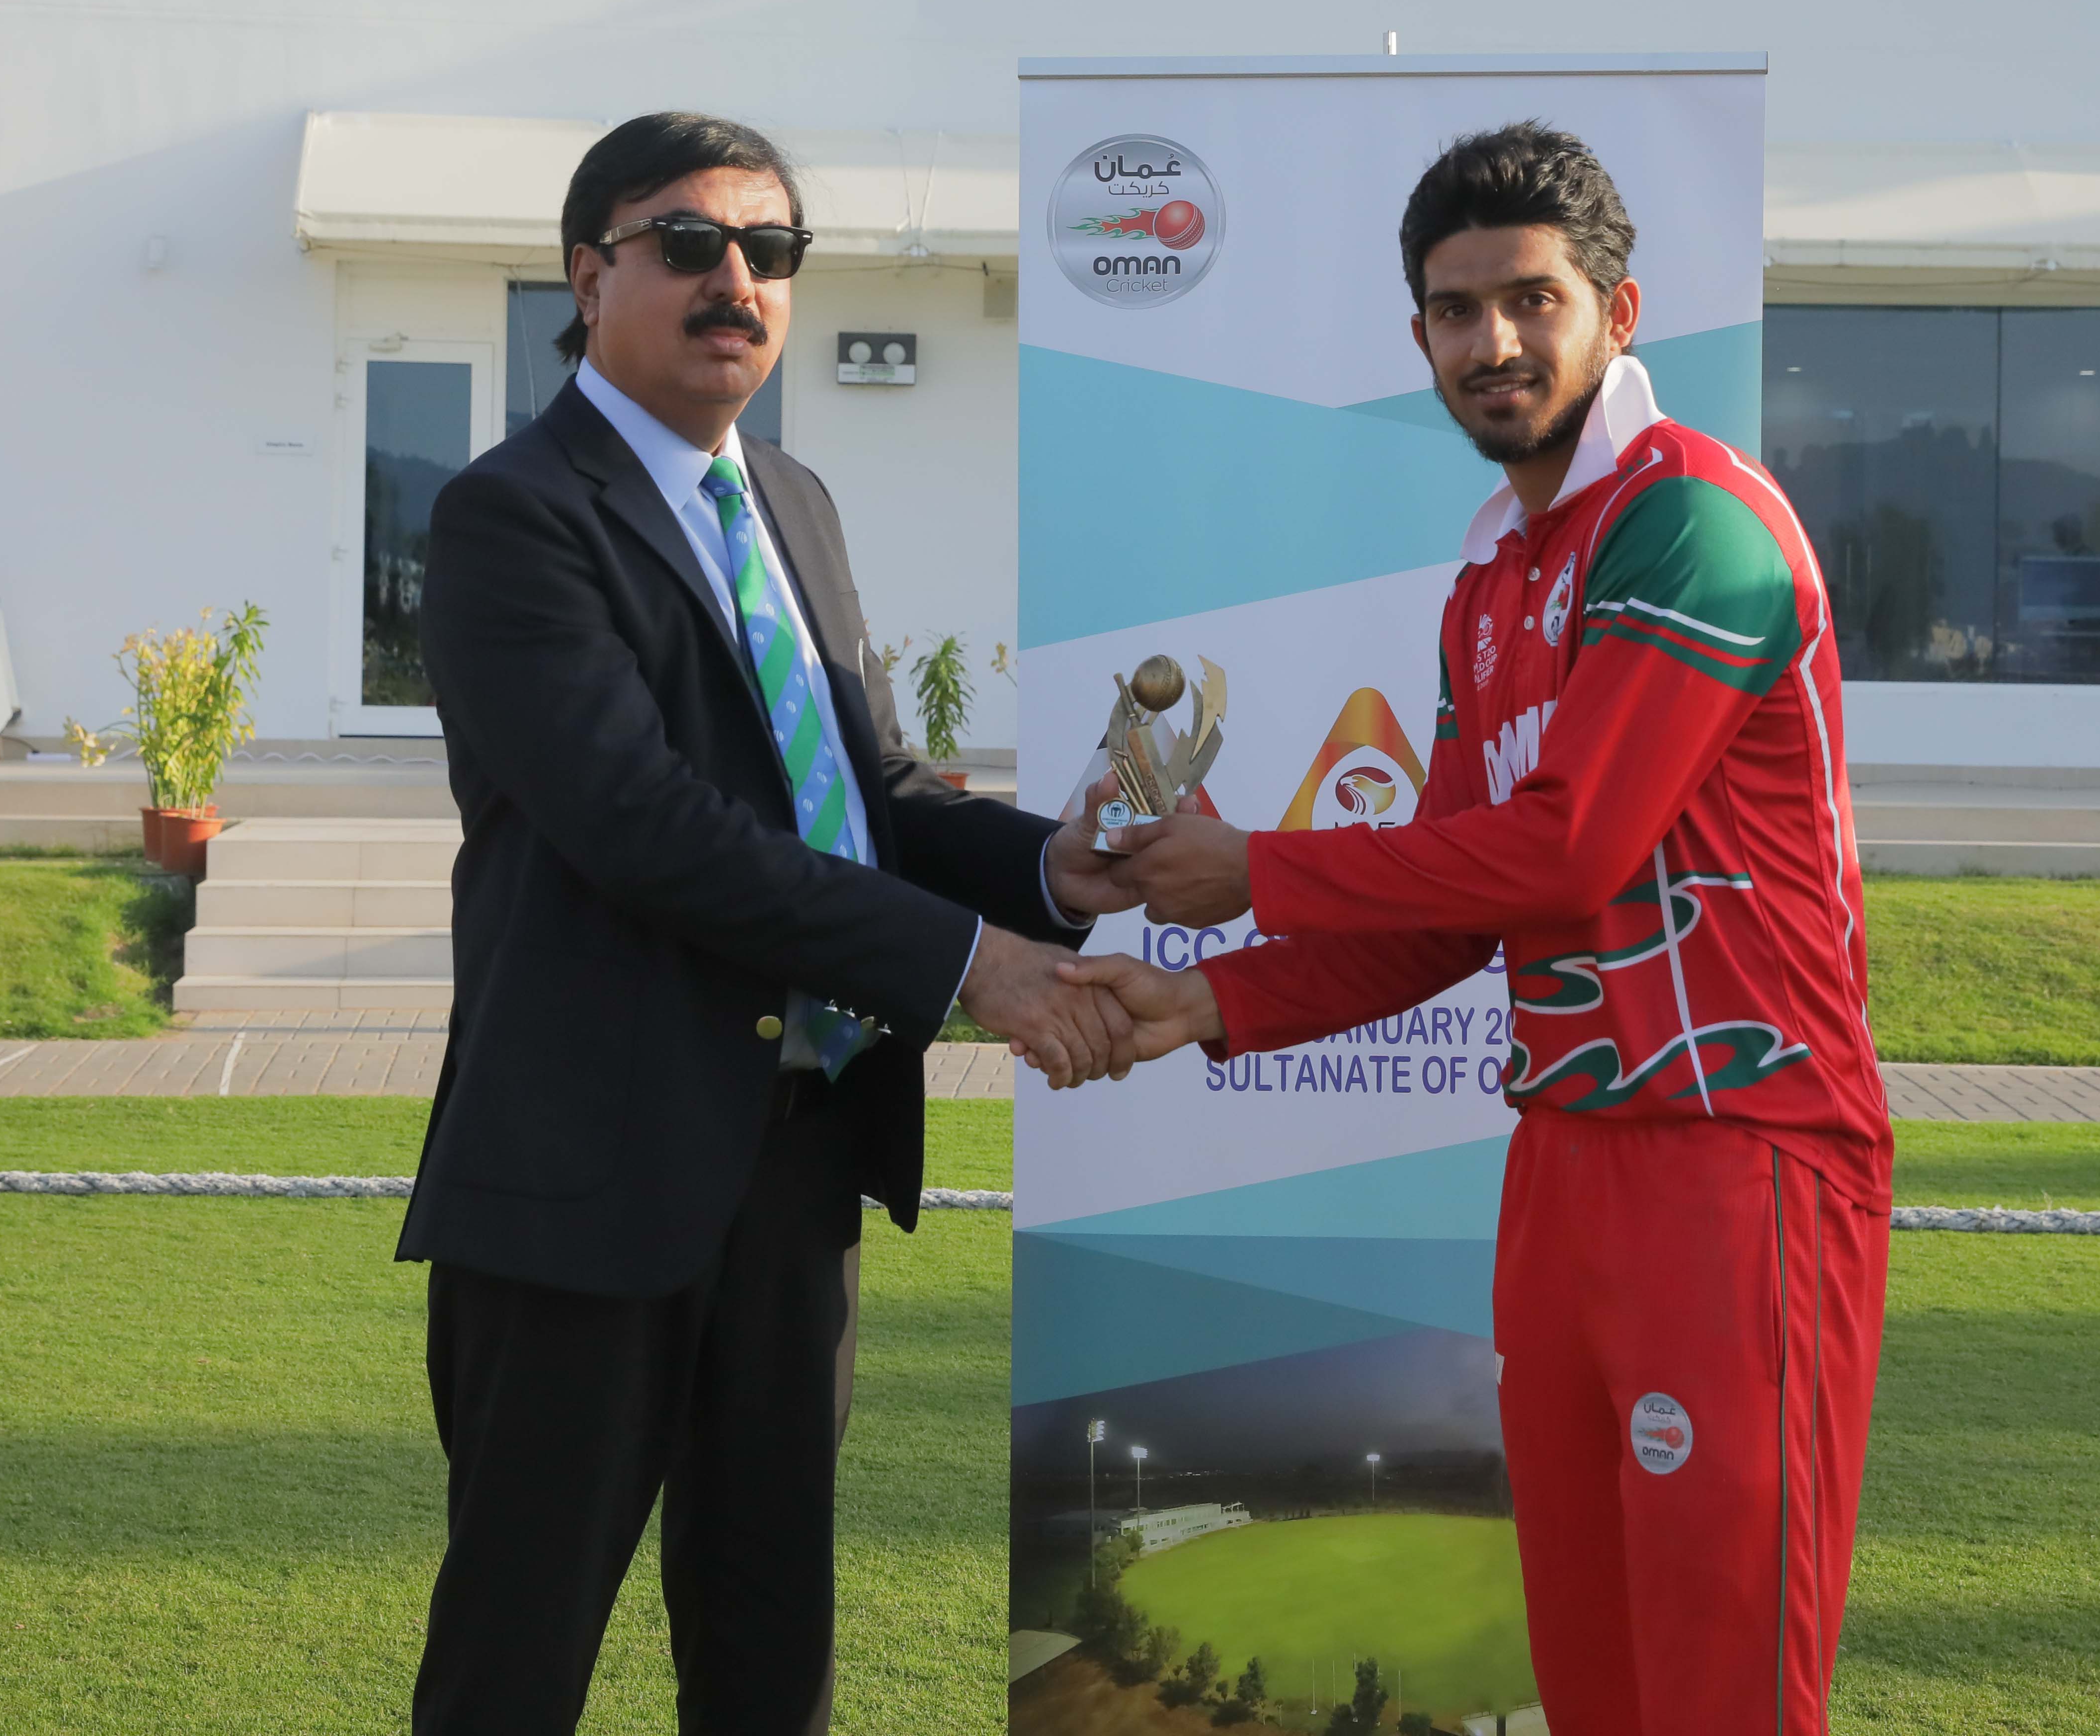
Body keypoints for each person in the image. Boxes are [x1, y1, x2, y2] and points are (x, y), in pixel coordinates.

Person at [1064, 121, 1892, 1736]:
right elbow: (1455, 894)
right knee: (1594, 1677)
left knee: (1721, 1685)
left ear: (1621, 312)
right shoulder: (1496, 576)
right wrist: (1209, 1007)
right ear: (1422, 337)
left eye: (1532, 299)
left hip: (1742, 1153)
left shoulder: (1695, 523)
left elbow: (1569, 852)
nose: (1493, 342)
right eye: (1456, 310)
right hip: (1568, 1157)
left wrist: (1260, 871)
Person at [400, 110, 1137, 1736]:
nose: (737, 280)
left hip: (798, 1160)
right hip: (587, 1172)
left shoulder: (789, 498)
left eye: (771, 250)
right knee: (518, 1654)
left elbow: (862, 783)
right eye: (689, 244)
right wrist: (968, 967)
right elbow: (648, 830)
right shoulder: (513, 516)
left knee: (767, 1641)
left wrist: (1050, 877)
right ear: (588, 278)